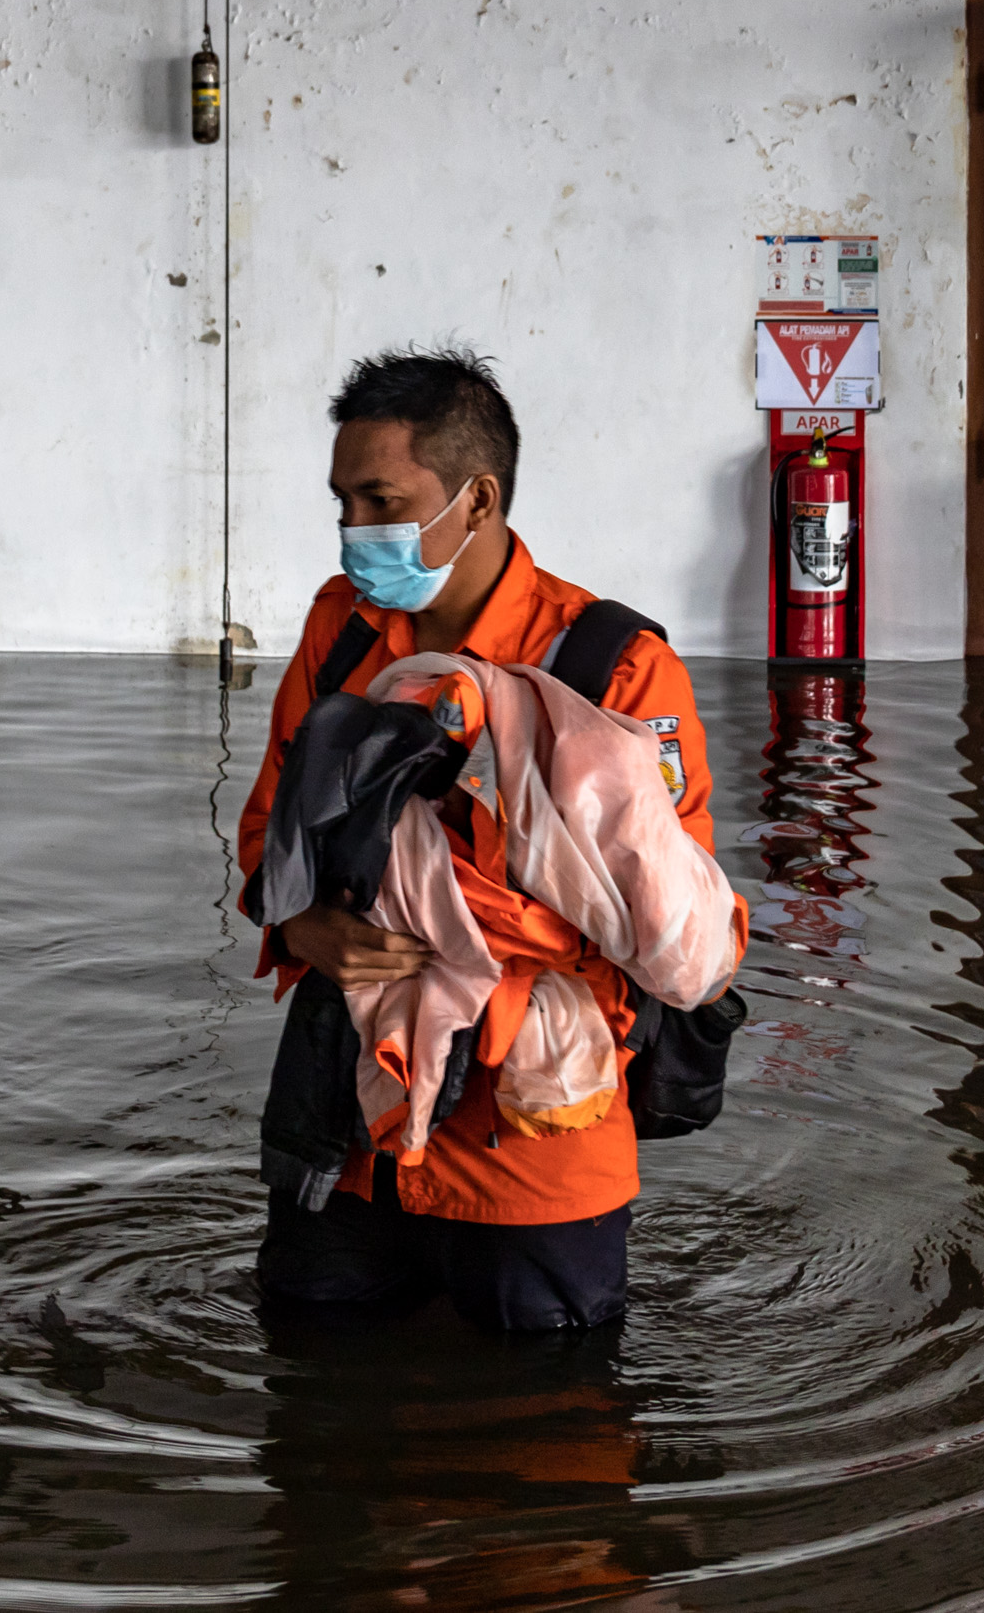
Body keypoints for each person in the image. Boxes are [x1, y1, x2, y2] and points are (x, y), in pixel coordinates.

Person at [236, 346, 720, 1334]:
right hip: (352, 1120)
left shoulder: (612, 669)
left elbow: (677, 930)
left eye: (380, 501)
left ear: (479, 498)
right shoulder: (342, 632)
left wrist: (462, 943)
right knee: (311, 1359)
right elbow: (268, 827)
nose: (353, 530)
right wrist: (302, 927)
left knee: (547, 1400)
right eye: (342, 503)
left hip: (530, 1136)